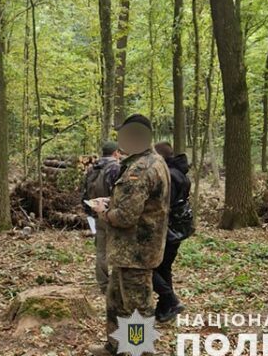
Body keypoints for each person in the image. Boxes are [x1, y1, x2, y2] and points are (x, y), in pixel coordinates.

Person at [88, 114, 170, 356]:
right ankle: (115, 346)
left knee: (136, 307)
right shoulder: (150, 161)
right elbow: (138, 204)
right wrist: (112, 202)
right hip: (129, 251)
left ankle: (139, 350)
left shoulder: (141, 168)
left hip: (136, 251)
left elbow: (125, 217)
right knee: (115, 300)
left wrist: (104, 211)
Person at [153, 141, 191, 322]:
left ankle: (170, 300)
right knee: (164, 267)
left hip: (169, 229)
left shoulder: (169, 176)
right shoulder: (179, 173)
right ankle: (164, 308)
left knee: (150, 268)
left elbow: (163, 205)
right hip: (177, 229)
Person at [82, 141, 122, 294]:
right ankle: (117, 284)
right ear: (115, 152)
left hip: (95, 214)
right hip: (112, 214)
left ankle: (104, 284)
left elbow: (84, 193)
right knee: (119, 248)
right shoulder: (116, 168)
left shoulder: (92, 168)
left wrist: (90, 212)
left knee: (101, 251)